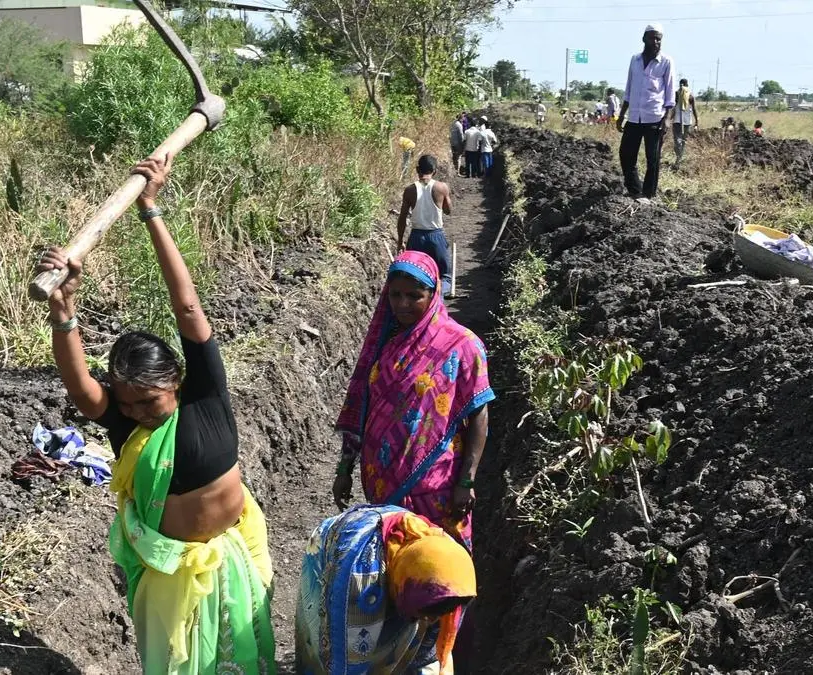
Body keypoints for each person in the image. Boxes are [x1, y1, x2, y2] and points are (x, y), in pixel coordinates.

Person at [36, 157, 275, 674]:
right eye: (126, 403)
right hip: (169, 578)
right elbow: (82, 391)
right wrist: (64, 312)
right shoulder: (128, 424)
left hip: (233, 557)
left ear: (176, 381)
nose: (136, 413)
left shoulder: (205, 397)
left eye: (149, 401)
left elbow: (187, 309)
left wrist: (150, 210)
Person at [333, 251, 496, 551]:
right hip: (381, 481)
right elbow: (361, 405)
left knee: (440, 562)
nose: (402, 304)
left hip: (436, 484)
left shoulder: (462, 345)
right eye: (395, 295)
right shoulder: (384, 344)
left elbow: (479, 414)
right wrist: (344, 468)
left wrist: (467, 481)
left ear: (433, 295)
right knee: (392, 560)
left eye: (414, 296)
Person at [295, 505, 476, 675]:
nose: (432, 619)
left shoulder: (452, 580)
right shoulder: (361, 578)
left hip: (410, 582)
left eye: (439, 612)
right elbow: (345, 662)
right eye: (429, 613)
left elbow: (426, 655)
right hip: (338, 554)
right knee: (330, 647)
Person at [616, 23, 676, 200]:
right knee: (626, 154)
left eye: (659, 39)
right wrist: (621, 115)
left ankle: (649, 195)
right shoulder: (634, 60)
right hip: (634, 117)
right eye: (652, 38)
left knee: (653, 158)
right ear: (644, 39)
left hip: (655, 117)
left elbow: (670, 93)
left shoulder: (666, 62)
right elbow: (629, 89)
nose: (656, 42)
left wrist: (667, 119)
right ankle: (635, 190)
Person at [398, 155, 453, 297]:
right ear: (434, 171)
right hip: (436, 236)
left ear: (417, 170)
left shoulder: (410, 190)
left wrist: (400, 241)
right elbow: (448, 210)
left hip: (416, 237)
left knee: (415, 276)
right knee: (445, 276)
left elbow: (402, 217)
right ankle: (437, 299)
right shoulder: (441, 187)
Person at [671, 78, 698, 168]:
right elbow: (694, 109)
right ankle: (679, 158)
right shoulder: (691, 95)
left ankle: (678, 159)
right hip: (687, 121)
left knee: (677, 140)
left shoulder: (676, 94)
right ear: (687, 85)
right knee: (683, 141)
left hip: (677, 121)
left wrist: (669, 118)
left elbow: (673, 108)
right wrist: (697, 121)